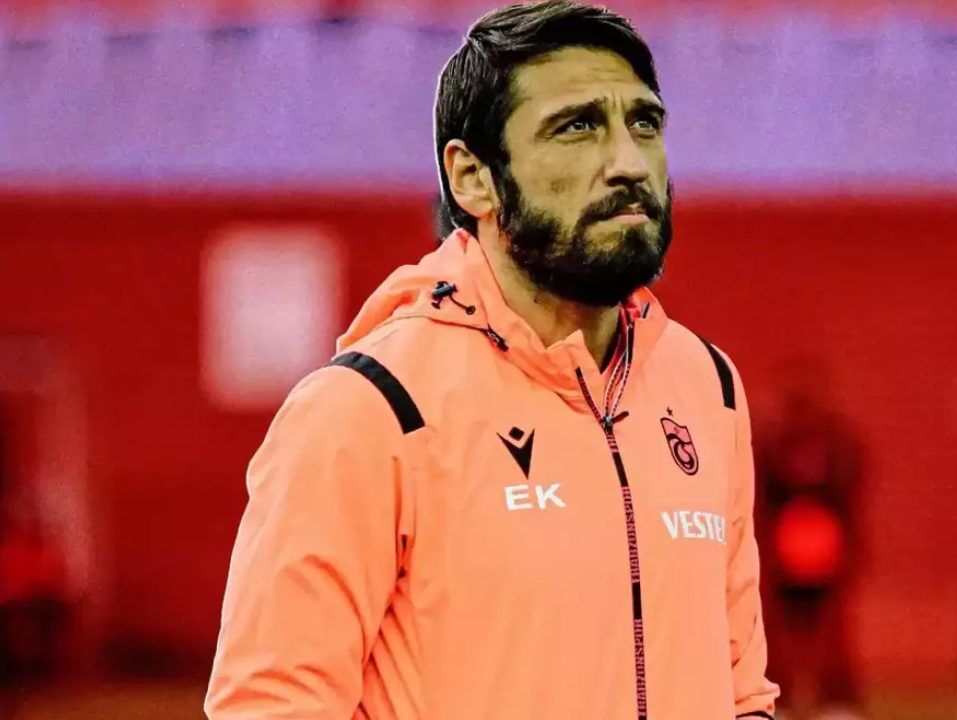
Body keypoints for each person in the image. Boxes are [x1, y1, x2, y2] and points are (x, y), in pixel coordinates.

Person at [205, 3, 779, 719]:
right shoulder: (369, 407)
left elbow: (741, 687)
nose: (629, 163)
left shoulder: (707, 385)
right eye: (577, 127)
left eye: (644, 124)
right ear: (472, 177)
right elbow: (273, 706)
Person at [755, 368, 862, 719]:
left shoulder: (839, 443)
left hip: (826, 548)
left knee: (832, 632)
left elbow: (850, 494)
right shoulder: (771, 446)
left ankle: (838, 700)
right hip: (783, 549)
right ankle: (780, 698)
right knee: (774, 632)